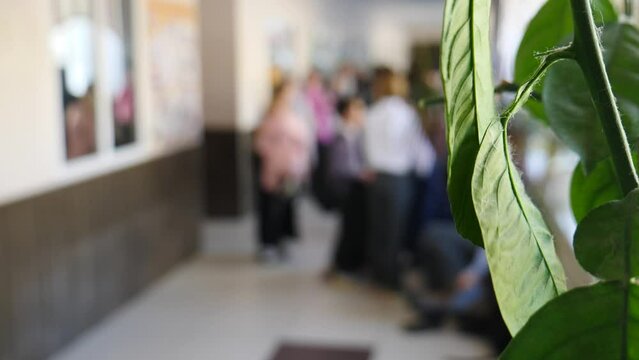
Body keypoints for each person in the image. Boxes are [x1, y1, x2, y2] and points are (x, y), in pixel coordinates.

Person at [364, 67, 435, 288]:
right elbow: (417, 150)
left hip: (377, 177)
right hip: (399, 178)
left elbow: (365, 146)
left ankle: (377, 273)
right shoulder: (406, 113)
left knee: (378, 229)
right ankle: (390, 277)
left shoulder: (373, 112)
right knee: (395, 229)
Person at [254, 80, 312, 262]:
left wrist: (298, 165)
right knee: (270, 208)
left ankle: (282, 240)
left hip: (291, 171)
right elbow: (260, 145)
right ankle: (268, 244)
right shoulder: (269, 119)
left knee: (287, 206)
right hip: (272, 171)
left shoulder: (296, 118)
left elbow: (303, 143)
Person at [326, 96, 371, 275]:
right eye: (356, 109)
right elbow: (339, 167)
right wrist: (360, 173)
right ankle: (345, 263)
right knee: (350, 227)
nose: (361, 114)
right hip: (348, 188)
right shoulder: (342, 136)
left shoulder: (357, 133)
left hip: (356, 186)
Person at [304, 70, 338, 210]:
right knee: (320, 168)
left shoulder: (321, 92)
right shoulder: (309, 94)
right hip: (317, 135)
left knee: (324, 167)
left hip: (326, 135)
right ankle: (320, 195)